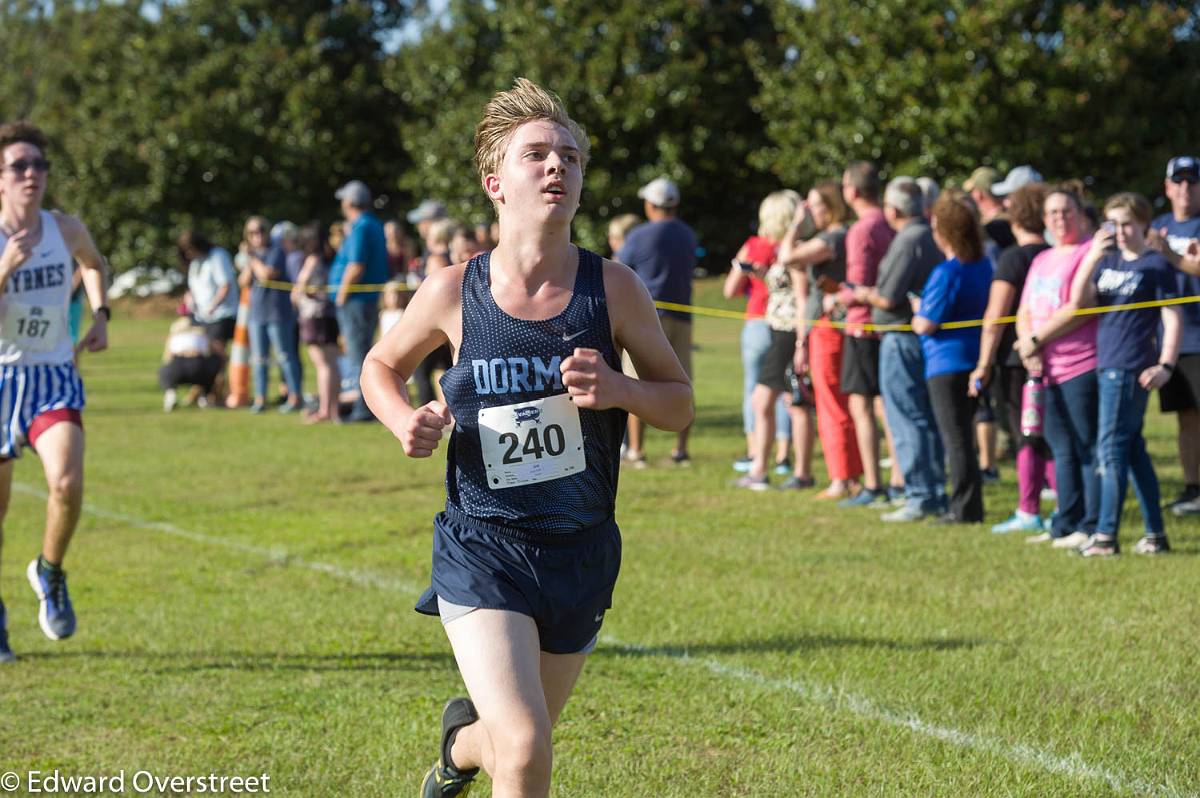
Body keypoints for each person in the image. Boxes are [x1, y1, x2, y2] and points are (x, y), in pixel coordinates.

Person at [360, 78, 692, 798]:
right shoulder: (455, 290)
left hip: (582, 548)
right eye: (536, 154)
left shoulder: (617, 290)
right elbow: (381, 365)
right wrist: (401, 420)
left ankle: (458, 745)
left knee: (515, 747)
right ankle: (477, 740)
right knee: (527, 741)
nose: (556, 168)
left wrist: (623, 391)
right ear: (495, 184)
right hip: (484, 546)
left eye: (570, 158)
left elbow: (679, 406)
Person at [0, 120, 110, 663]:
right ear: (0, 178)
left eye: (38, 165)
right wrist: (4, 270)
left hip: (51, 375)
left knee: (65, 482)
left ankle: (49, 570)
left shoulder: (63, 228)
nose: (31, 175)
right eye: (19, 166)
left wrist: (102, 314)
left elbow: (94, 263)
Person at [1069, 193, 1180, 556]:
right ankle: (1155, 535)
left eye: (1127, 223)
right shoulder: (1107, 260)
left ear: (1144, 224)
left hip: (1132, 367)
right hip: (1107, 363)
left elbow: (1171, 316)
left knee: (1111, 451)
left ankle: (1105, 536)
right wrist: (1091, 258)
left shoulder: (1155, 264)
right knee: (1132, 451)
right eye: (1113, 223)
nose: (1119, 231)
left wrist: (1165, 365)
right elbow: (1079, 301)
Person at [854, 177, 946, 521]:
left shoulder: (908, 240)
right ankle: (930, 490)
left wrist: (861, 293)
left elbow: (888, 296)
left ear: (893, 210)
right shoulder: (927, 234)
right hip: (918, 338)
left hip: (901, 338)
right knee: (922, 416)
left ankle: (920, 494)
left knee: (906, 416)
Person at [1015, 186, 1099, 549]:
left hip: (1081, 363)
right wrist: (1026, 345)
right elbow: (1023, 309)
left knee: (1085, 447)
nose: (1059, 219)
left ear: (1079, 214)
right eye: (1052, 213)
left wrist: (1036, 340)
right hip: (1044, 367)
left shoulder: (1089, 252)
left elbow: (1081, 306)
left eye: (1066, 211)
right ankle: (1065, 522)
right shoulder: (1042, 259)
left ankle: (1089, 522)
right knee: (1059, 447)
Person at [969, 183, 1054, 533]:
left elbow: (995, 316)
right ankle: (1059, 500)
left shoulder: (1013, 258)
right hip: (1051, 354)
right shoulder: (1052, 253)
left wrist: (984, 363)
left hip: (1017, 359)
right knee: (1047, 432)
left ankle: (1028, 508)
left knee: (1026, 432)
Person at [912, 191, 992, 524]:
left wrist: (916, 310)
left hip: (946, 362)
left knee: (956, 438)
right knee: (965, 437)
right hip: (974, 358)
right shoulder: (984, 266)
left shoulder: (947, 273)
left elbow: (927, 324)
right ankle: (968, 504)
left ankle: (963, 509)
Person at [733, 190, 815, 491]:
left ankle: (797, 473)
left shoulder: (798, 251)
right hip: (777, 330)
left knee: (789, 402)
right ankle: (763, 468)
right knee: (773, 401)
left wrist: (801, 343)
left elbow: (803, 298)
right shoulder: (785, 251)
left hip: (790, 333)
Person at [780, 182, 857, 499]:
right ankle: (849, 475)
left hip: (827, 329)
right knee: (837, 402)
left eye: (814, 206)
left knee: (831, 404)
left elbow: (786, 256)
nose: (809, 212)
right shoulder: (838, 236)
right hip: (823, 327)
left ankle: (841, 477)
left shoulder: (833, 238)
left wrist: (796, 224)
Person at [617, 176, 697, 466]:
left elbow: (618, 266)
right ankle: (681, 451)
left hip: (648, 319)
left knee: (636, 383)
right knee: (683, 382)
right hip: (683, 317)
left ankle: (637, 450)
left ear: (651, 205)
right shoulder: (688, 234)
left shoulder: (639, 235)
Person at [836, 161, 896, 506]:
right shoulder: (890, 222)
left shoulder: (862, 229)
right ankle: (899, 478)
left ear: (853, 191)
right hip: (886, 323)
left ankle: (873, 484)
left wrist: (835, 296)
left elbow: (858, 285)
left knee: (862, 404)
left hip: (862, 323)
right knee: (885, 404)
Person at [723, 197, 795, 478]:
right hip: (787, 324)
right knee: (785, 389)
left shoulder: (755, 245)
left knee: (755, 388)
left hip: (757, 322)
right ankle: (783, 453)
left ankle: (755, 451)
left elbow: (730, 289)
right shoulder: (793, 247)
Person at [1148, 155, 1200, 515]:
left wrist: (1168, 253)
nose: (1185, 188)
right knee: (1185, 416)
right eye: (1178, 181)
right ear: (1167, 187)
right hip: (1171, 340)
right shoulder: (1157, 225)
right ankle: (1192, 488)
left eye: (1192, 181)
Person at [330, 179, 390, 422]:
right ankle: (365, 407)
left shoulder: (362, 227)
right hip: (364, 300)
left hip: (356, 300)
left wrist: (341, 296)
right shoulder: (371, 224)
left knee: (358, 355)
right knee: (362, 352)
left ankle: (364, 409)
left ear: (350, 202)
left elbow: (355, 266)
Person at [238, 216, 304, 414]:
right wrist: (249, 262)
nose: (256, 236)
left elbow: (267, 275)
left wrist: (251, 258)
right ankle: (260, 398)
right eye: (251, 233)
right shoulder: (253, 256)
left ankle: (295, 396)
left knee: (285, 356)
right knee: (259, 358)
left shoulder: (276, 251)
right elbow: (243, 282)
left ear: (267, 232)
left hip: (278, 312)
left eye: (260, 231)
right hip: (257, 314)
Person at [292, 221, 340, 424]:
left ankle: (324, 410)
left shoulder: (312, 260)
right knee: (332, 363)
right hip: (328, 315)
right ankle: (334, 409)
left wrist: (296, 295)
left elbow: (300, 286)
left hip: (313, 317)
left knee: (323, 365)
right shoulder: (330, 258)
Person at [178, 229, 239, 359]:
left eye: (190, 249)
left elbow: (225, 285)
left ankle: (222, 378)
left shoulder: (217, 256)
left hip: (221, 314)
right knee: (200, 351)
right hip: (200, 315)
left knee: (216, 352)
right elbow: (194, 287)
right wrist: (189, 298)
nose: (188, 254)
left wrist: (213, 306)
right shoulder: (195, 262)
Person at [158, 314, 223, 412]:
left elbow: (167, 358)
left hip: (176, 366)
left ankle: (170, 394)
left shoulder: (174, 337)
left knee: (163, 370)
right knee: (212, 364)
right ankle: (204, 396)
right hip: (198, 366)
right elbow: (209, 353)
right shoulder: (202, 335)